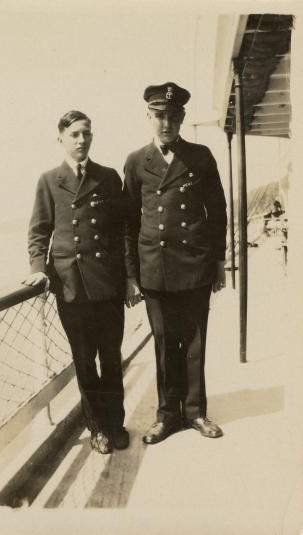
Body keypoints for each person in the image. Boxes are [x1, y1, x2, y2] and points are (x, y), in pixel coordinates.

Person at [124, 82, 227, 444]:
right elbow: (129, 223)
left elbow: (217, 213)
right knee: (166, 342)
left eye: (172, 116)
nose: (166, 123)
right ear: (148, 117)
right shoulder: (136, 161)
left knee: (196, 341)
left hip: (195, 264)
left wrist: (218, 262)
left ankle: (196, 412)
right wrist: (132, 275)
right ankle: (167, 415)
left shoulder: (200, 156)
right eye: (159, 116)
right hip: (156, 268)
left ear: (182, 118)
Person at [24, 110, 129, 454]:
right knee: (84, 361)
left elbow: (123, 231)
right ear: (61, 139)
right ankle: (97, 428)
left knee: (111, 357)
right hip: (71, 288)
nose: (82, 140)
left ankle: (116, 424)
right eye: (74, 135)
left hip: (108, 285)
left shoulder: (109, 177)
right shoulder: (49, 180)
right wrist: (38, 269)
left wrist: (129, 278)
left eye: (86, 133)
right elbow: (39, 232)